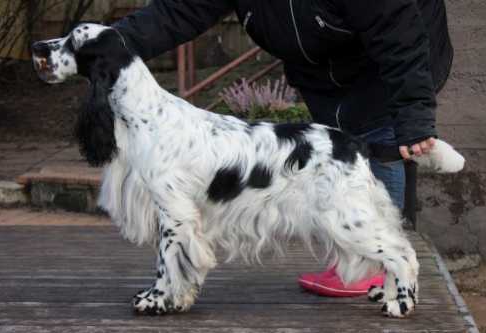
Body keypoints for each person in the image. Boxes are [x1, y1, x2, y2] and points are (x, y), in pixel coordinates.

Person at [113, 0, 453, 297]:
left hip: (395, 55)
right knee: (344, 148)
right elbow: (180, 9)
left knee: (381, 134)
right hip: (320, 63)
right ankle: (367, 257)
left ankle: (379, 266)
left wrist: (415, 114)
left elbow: (398, 32)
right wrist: (109, 43)